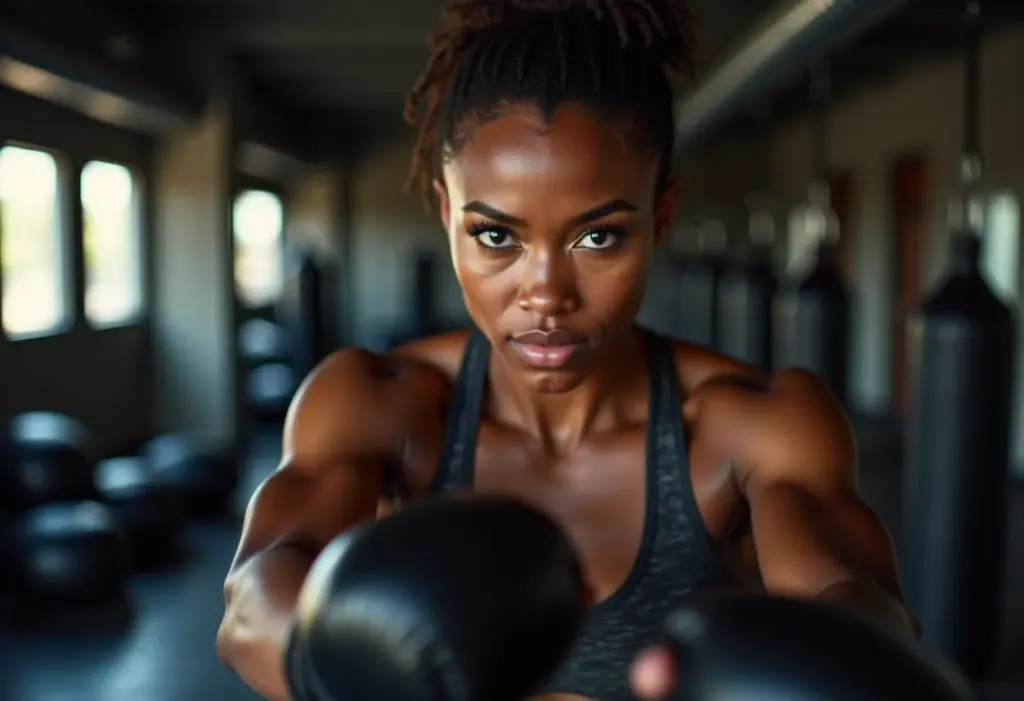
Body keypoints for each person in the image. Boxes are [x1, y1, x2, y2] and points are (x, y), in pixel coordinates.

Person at [217, 1, 918, 700]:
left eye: (598, 237)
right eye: (496, 237)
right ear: (448, 215)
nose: (546, 294)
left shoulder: (753, 423)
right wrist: (350, 670)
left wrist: (811, 673)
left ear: (660, 217)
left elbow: (860, 607)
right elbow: (252, 600)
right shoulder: (380, 400)